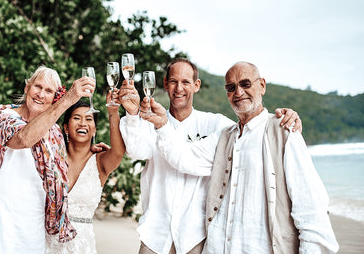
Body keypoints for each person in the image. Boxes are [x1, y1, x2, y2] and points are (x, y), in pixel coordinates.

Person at [145, 61, 338, 253]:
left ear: (261, 85)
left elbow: (311, 212)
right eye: (231, 87)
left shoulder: (285, 131)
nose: (238, 92)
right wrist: (162, 124)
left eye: (245, 84)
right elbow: (184, 158)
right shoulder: (224, 135)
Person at [118, 58, 301, 254]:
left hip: (195, 236)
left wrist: (285, 117)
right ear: (165, 84)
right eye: (173, 81)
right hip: (156, 234)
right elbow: (136, 151)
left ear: (196, 85)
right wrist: (131, 114)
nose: (179, 88)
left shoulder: (218, 125)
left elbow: (249, 131)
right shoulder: (148, 122)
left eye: (186, 82)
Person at [0, 65, 95, 254]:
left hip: (31, 223)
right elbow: (24, 138)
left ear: (54, 97)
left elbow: (63, 170)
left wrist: (90, 152)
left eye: (49, 91)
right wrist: (69, 100)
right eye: (38, 87)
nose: (41, 94)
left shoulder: (56, 133)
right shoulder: (4, 116)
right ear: (27, 88)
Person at [46, 89, 130, 253]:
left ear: (94, 130)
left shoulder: (100, 162)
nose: (83, 123)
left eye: (89, 119)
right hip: (45, 243)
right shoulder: (51, 158)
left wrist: (113, 109)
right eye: (76, 118)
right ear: (66, 128)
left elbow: (119, 152)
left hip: (81, 246)